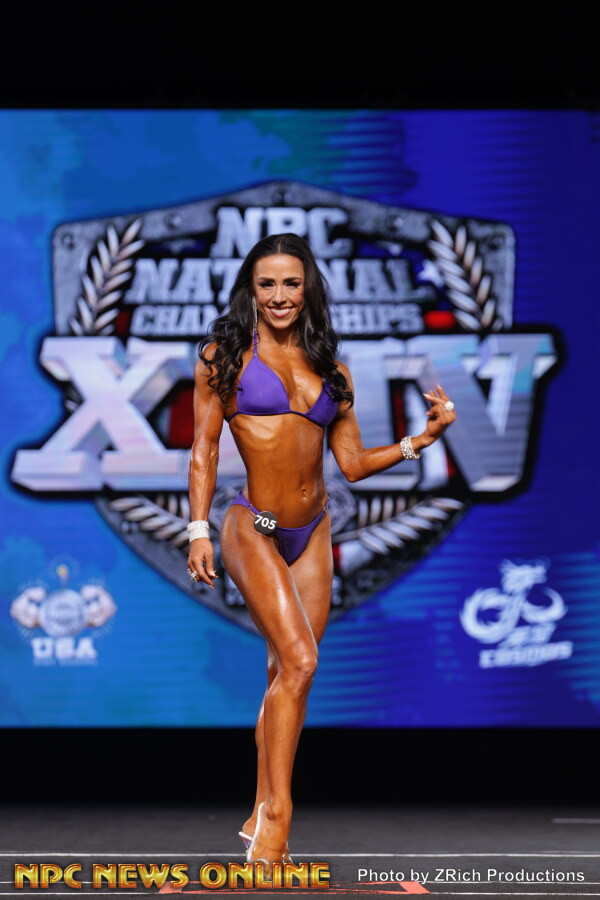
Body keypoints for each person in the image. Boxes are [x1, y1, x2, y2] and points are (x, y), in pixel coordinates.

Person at [186, 233, 457, 874]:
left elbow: (353, 464)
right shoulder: (223, 358)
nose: (280, 296)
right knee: (301, 659)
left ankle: (257, 813)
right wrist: (197, 529)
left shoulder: (332, 369)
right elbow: (205, 449)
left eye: (291, 283)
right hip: (251, 525)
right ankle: (277, 818)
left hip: (313, 532)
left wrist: (421, 440)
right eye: (267, 284)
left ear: (307, 289)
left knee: (289, 675)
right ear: (251, 291)